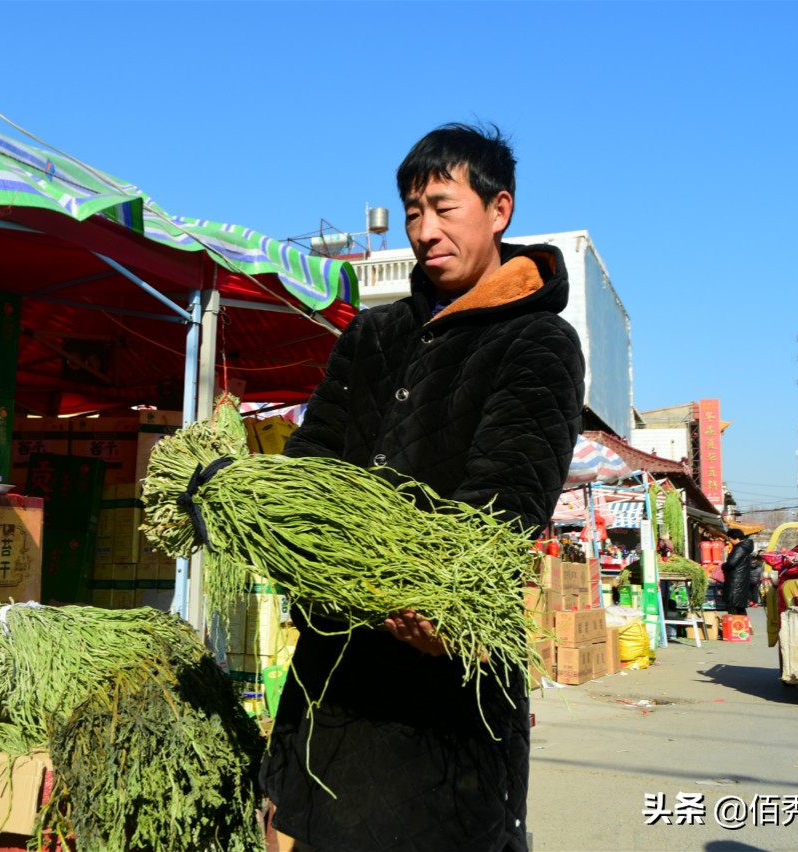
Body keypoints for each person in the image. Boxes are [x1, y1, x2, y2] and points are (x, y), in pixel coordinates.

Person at [260, 123, 585, 852]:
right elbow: (315, 461)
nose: (424, 230)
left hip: (443, 674)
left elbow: (508, 496)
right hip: (336, 665)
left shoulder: (537, 343)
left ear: (499, 209)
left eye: (444, 207)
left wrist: (436, 599)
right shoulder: (371, 337)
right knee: (310, 826)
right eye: (413, 212)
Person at [720, 529, 755, 615]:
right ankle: (744, 627)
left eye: (730, 539)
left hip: (735, 583)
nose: (730, 541)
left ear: (735, 538)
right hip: (741, 582)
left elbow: (731, 563)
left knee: (734, 609)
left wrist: (723, 566)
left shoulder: (740, 548)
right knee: (740, 609)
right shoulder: (745, 548)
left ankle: (736, 627)